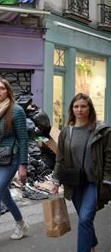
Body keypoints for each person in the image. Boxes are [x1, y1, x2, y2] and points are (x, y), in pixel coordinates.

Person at [52, 93, 111, 252]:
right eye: (76, 106)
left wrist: (107, 179)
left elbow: (109, 156)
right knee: (84, 219)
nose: (80, 109)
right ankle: (91, 245)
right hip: (74, 182)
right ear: (72, 109)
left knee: (85, 218)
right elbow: (60, 157)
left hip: (94, 182)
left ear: (90, 108)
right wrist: (56, 180)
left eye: (83, 106)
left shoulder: (102, 130)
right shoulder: (66, 131)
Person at [0, 78, 29, 249]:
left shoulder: (16, 111)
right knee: (3, 195)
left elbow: (23, 139)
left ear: (8, 91)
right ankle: (22, 224)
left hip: (10, 159)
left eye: (2, 88)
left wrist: (23, 165)